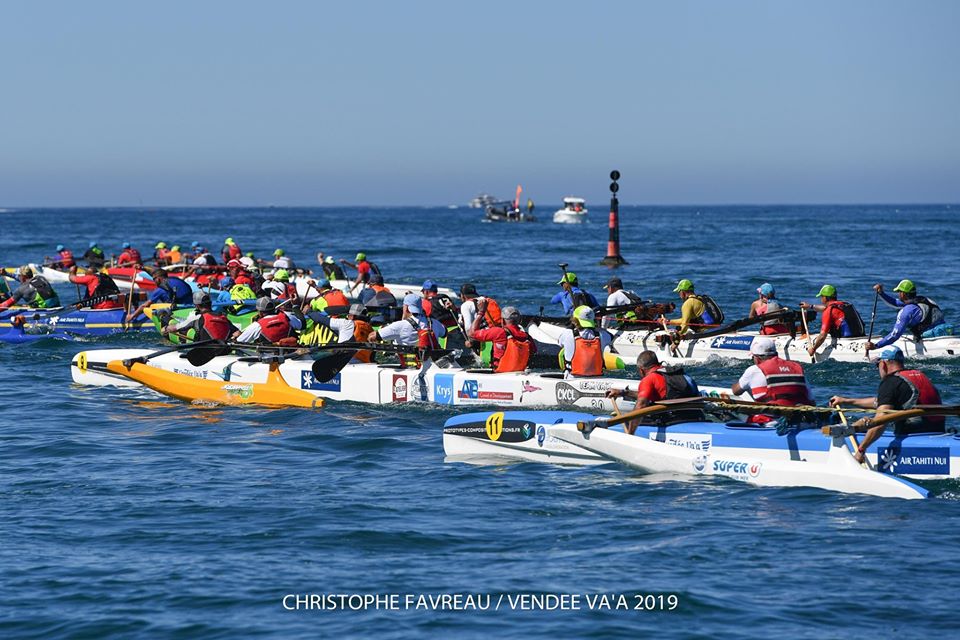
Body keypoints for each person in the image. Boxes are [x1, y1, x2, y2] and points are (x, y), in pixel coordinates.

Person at [829, 346, 945, 464]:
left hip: (913, 437)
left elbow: (880, 421)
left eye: (877, 365)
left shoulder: (890, 382)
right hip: (938, 433)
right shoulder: (918, 375)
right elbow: (883, 402)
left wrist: (861, 450)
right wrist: (846, 401)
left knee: (866, 423)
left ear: (883, 364)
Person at [605, 350, 702, 433]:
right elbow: (656, 395)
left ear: (641, 370)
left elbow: (641, 405)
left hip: (673, 420)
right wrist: (623, 393)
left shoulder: (649, 379)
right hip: (696, 416)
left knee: (626, 419)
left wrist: (630, 434)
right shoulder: (680, 374)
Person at [730, 337, 814, 423]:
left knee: (732, 412)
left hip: (774, 421)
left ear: (757, 358)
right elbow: (812, 401)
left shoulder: (753, 370)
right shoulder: (796, 367)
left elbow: (736, 391)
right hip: (803, 419)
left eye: (753, 357)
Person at [867, 279, 952, 349]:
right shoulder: (924, 300)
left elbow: (895, 335)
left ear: (903, 294)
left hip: (931, 338)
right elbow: (895, 303)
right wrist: (881, 293)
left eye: (899, 292)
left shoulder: (907, 311)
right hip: (947, 331)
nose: (898, 294)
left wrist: (876, 346)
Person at [369, 294, 446, 366]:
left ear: (406, 308)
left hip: (410, 368)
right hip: (432, 365)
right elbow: (444, 333)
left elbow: (372, 337)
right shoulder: (434, 322)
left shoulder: (400, 325)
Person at [799, 284, 865, 356]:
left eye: (821, 296)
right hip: (860, 335)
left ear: (825, 298)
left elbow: (822, 335)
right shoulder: (845, 304)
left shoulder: (829, 311)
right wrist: (810, 306)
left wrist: (813, 349)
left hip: (846, 340)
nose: (821, 299)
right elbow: (826, 308)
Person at [466, 305, 534, 372]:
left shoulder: (499, 332)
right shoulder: (527, 337)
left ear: (503, 320)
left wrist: (481, 312)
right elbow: (532, 352)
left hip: (499, 372)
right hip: (519, 372)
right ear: (519, 320)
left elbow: (472, 333)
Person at [161, 291, 240, 342]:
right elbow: (238, 333)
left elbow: (176, 328)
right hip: (224, 350)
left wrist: (165, 329)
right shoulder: (223, 316)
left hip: (205, 352)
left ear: (197, 305)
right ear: (210, 303)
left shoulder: (197, 317)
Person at [557, 305, 609, 377]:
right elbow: (611, 337)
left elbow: (560, 342)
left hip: (573, 379)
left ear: (574, 320)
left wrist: (571, 325)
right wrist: (597, 326)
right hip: (597, 380)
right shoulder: (602, 334)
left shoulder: (568, 333)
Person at [127, 269, 193, 320]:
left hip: (180, 310)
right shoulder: (175, 279)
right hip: (192, 306)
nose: (154, 281)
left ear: (158, 279)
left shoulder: (160, 290)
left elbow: (144, 306)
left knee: (153, 305)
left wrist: (132, 316)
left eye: (154, 279)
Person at [235, 297, 302, 345]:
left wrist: (238, 335)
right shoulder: (287, 317)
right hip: (291, 354)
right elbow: (303, 324)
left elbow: (239, 342)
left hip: (268, 357)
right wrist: (295, 306)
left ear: (260, 313)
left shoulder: (257, 325)